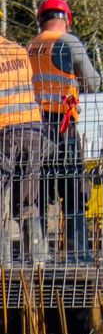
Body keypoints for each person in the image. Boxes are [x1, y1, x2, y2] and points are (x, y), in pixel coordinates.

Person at [28, 0, 101, 264]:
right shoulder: (68, 42)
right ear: (67, 20)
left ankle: (38, 255)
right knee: (72, 192)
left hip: (34, 129)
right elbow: (93, 82)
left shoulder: (30, 47)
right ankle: (77, 254)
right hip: (63, 128)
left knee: (37, 193)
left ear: (40, 20)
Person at [0, 34, 44, 264]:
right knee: (28, 202)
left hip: (4, 132)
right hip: (32, 130)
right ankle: (37, 262)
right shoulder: (18, 50)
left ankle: (3, 264)